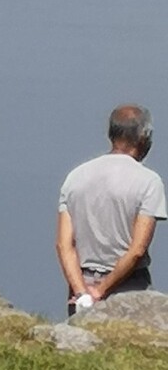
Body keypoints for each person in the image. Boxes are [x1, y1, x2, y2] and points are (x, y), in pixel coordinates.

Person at [56, 104, 168, 312]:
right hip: (129, 287)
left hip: (81, 282)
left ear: (111, 134)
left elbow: (64, 245)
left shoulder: (75, 177)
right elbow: (137, 250)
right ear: (144, 137)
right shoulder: (149, 182)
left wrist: (82, 293)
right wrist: (100, 291)